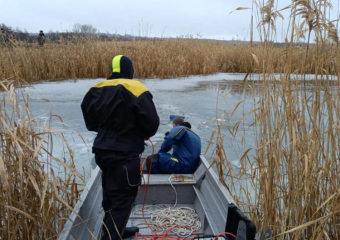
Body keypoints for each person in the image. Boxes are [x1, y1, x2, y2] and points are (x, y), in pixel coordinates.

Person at [81, 55, 159, 240]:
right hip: (125, 156)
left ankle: (118, 231)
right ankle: (112, 236)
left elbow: (90, 123)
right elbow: (151, 124)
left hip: (102, 153)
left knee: (110, 195)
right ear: (130, 70)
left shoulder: (95, 89)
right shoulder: (136, 88)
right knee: (123, 200)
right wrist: (139, 133)